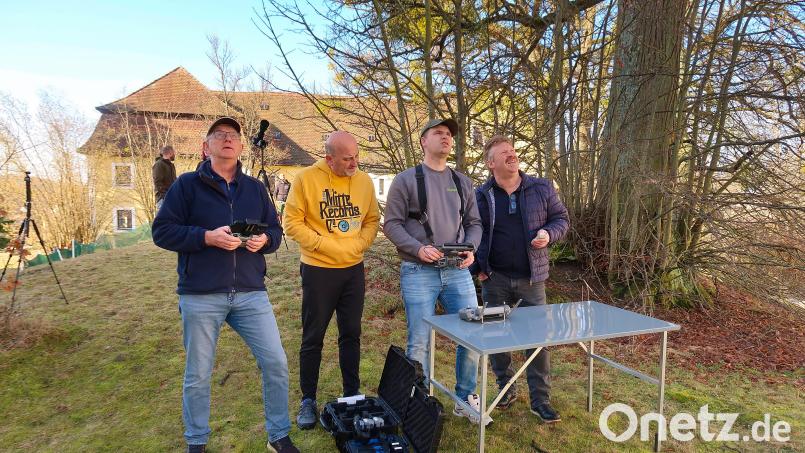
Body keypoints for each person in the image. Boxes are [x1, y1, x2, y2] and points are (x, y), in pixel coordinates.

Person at [152, 117, 299, 453]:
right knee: (199, 374)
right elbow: (162, 232)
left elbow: (276, 233)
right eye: (219, 135)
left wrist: (264, 241)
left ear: (242, 147)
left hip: (250, 292)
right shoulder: (186, 185)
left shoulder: (256, 188)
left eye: (233, 135)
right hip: (202, 294)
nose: (227, 140)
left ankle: (278, 435)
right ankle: (197, 443)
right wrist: (206, 237)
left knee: (275, 362)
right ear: (206, 147)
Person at [383, 118, 490, 425]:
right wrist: (417, 248)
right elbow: (391, 224)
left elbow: (475, 223)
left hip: (457, 271)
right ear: (423, 142)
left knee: (473, 332)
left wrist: (470, 247)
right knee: (419, 340)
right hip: (419, 271)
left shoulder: (462, 182)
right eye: (438, 133)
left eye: (448, 135)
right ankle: (421, 405)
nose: (446, 138)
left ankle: (465, 397)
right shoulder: (405, 180)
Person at [283, 131, 380, 429]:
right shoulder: (305, 179)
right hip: (319, 270)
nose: (354, 163)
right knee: (313, 336)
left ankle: (351, 393)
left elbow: (372, 220)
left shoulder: (363, 181)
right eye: (347, 158)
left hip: (353, 270)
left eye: (357, 156)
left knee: (351, 333)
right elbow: (291, 223)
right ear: (329, 158)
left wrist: (359, 245)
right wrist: (325, 246)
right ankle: (307, 400)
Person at [473, 135, 569, 423]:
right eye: (504, 153)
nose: (511, 155)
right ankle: (506, 389)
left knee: (538, 342)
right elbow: (475, 233)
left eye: (513, 151)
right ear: (491, 163)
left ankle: (540, 400)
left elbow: (562, 219)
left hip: (532, 279)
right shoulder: (482, 195)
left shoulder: (541, 187)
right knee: (495, 338)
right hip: (495, 279)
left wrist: (548, 234)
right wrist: (478, 266)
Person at [153, 145, 177, 213]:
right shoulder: (159, 164)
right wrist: (165, 195)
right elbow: (157, 182)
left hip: (171, 198)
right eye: (174, 153)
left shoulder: (171, 165)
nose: (174, 154)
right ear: (170, 153)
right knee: (163, 221)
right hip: (163, 199)